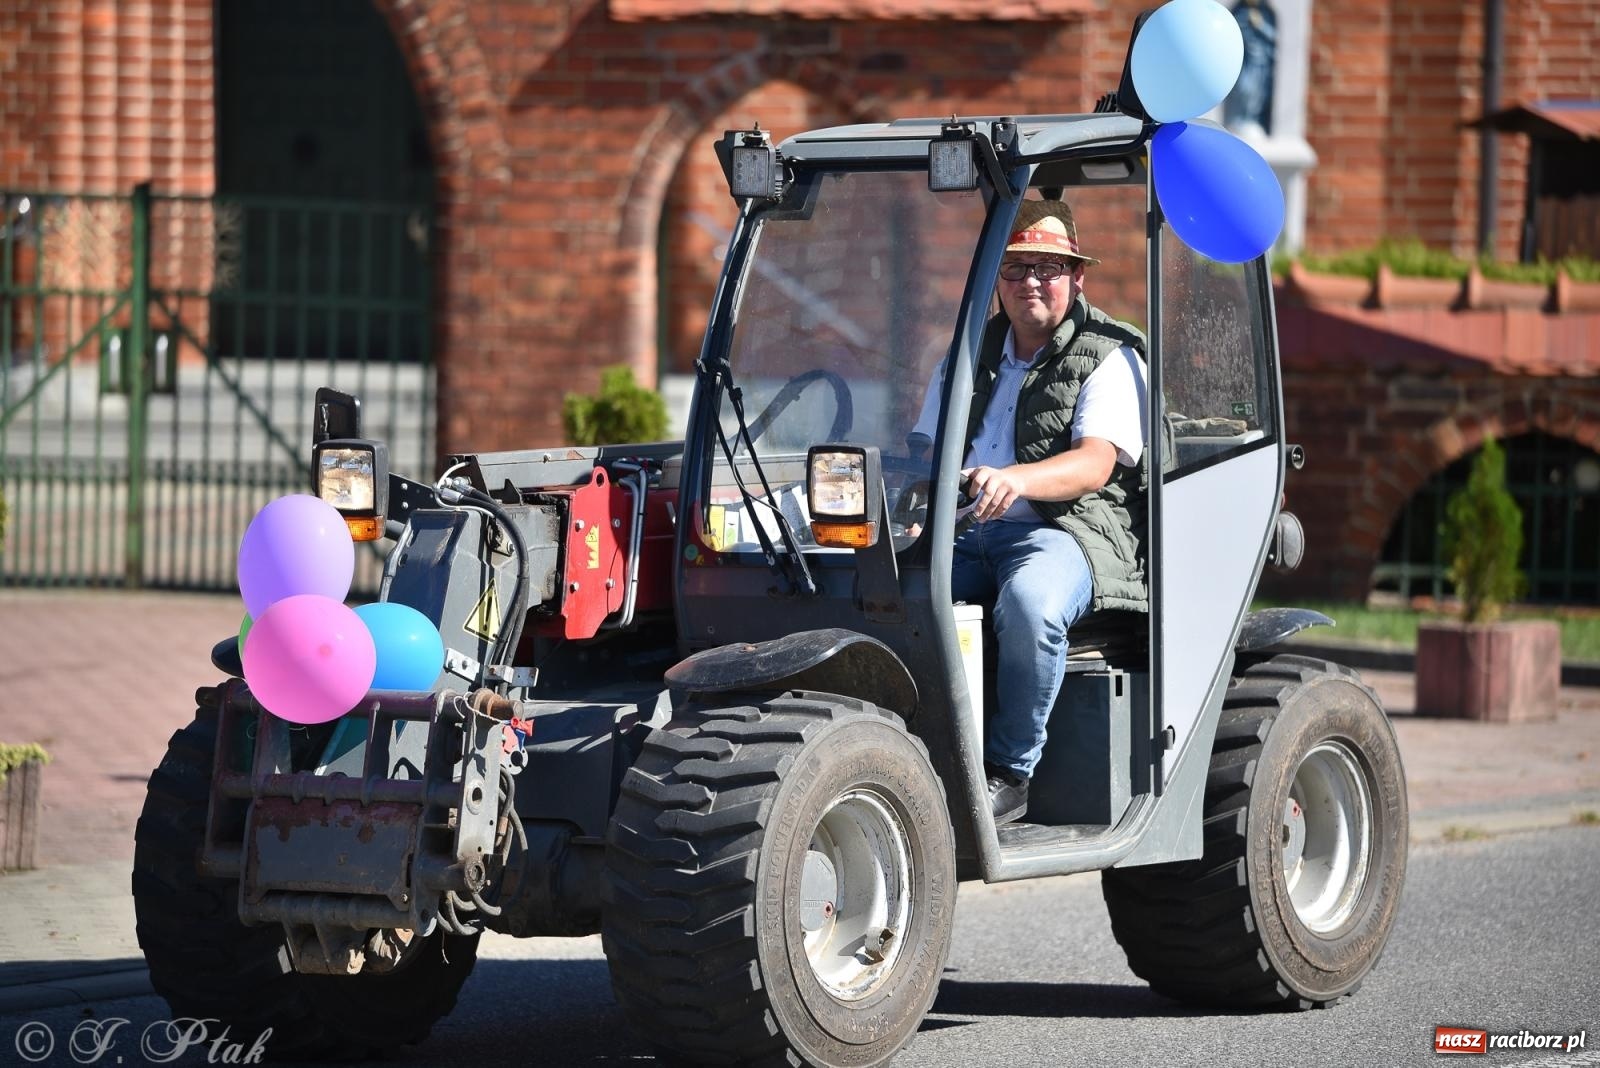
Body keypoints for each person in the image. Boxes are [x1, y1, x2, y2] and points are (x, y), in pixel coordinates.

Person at [955, 197, 1149, 825]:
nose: (1031, 282)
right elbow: (924, 446)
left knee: (1031, 604)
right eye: (1016, 268)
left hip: (1065, 531)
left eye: (1049, 268)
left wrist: (1014, 480)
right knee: (882, 591)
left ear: (1077, 279)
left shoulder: (1109, 355)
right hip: (962, 532)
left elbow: (1095, 463)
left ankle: (1011, 774)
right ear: (998, 281)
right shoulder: (969, 351)